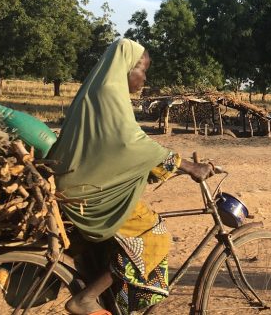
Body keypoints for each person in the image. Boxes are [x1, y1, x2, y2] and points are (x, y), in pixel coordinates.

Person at [48, 39, 214, 315]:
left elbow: (115, 149)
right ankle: (86, 299)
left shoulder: (101, 90)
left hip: (79, 183)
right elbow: (131, 143)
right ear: (127, 68)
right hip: (89, 193)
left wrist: (156, 165)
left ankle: (110, 300)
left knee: (121, 243)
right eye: (143, 70)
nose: (145, 78)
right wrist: (189, 167)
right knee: (154, 234)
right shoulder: (108, 94)